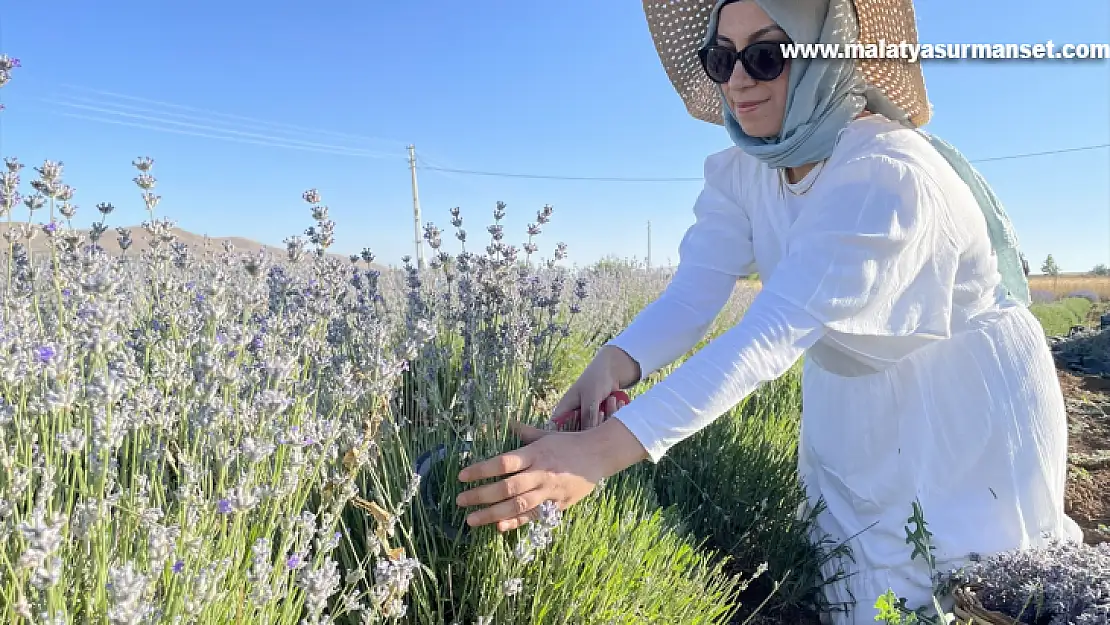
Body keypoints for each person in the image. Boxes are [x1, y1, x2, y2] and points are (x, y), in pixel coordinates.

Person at [455, 0, 1083, 621]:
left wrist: (597, 456)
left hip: (961, 396)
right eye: (720, 57)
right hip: (851, 391)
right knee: (852, 586)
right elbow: (694, 295)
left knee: (973, 590)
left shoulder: (885, 173)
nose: (737, 79)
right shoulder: (745, 171)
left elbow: (770, 333)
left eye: (767, 54)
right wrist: (609, 368)